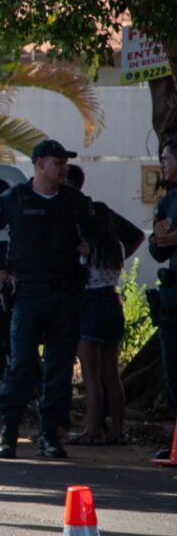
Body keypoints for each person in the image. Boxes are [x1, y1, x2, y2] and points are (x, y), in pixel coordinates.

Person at [0, 139, 94, 459]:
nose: (63, 168)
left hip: (66, 293)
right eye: (58, 163)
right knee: (21, 364)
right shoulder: (14, 199)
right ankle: (8, 433)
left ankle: (50, 435)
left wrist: (89, 245)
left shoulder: (74, 201)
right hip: (28, 293)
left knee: (59, 367)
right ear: (40, 164)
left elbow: (98, 231)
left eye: (65, 163)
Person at [64, 165, 145, 446]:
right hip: (113, 300)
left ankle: (91, 431)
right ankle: (117, 431)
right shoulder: (112, 242)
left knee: (90, 375)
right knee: (112, 375)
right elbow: (136, 236)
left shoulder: (84, 240)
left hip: (90, 303)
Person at [148, 136, 177, 460]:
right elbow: (156, 250)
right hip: (171, 297)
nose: (162, 165)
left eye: (167, 158)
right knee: (172, 371)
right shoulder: (167, 201)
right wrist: (160, 238)